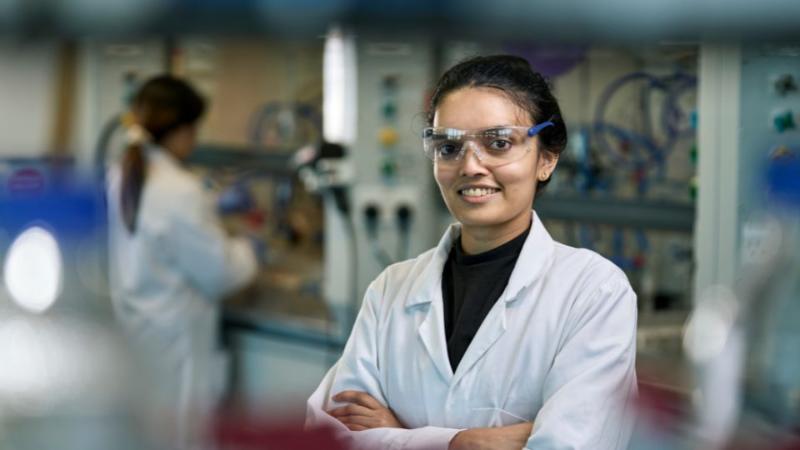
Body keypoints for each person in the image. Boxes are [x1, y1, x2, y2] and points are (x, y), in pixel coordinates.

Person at [306, 55, 638, 450]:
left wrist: (400, 436)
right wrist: (465, 443)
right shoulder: (390, 291)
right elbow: (326, 437)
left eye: (499, 143)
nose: (471, 165)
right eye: (448, 147)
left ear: (546, 159)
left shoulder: (592, 292)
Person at [106, 75, 257, 448]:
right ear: (180, 130)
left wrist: (210, 210)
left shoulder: (119, 175)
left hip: (137, 332)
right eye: (194, 129)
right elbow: (222, 273)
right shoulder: (179, 190)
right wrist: (249, 248)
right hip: (175, 345)